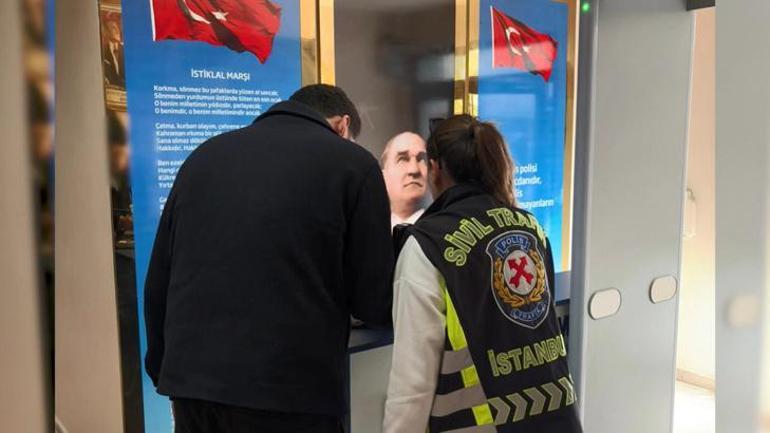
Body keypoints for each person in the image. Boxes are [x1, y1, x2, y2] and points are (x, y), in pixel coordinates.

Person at [144, 84, 394, 433]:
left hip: (193, 388)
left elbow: (160, 277)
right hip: (288, 391)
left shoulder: (204, 156)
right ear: (343, 125)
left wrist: (163, 368)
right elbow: (373, 301)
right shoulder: (354, 164)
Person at [384, 115, 582, 433]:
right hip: (554, 421)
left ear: (435, 168)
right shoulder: (531, 228)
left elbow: (412, 387)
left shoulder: (427, 245)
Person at [381, 131, 430, 228]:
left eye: (421, 159)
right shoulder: (366, 229)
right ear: (383, 176)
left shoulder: (446, 230)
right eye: (402, 159)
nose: (414, 169)